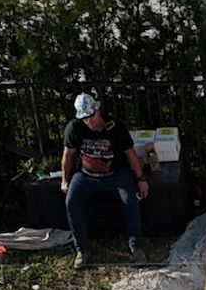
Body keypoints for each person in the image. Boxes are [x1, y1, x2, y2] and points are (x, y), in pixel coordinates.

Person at [61, 90, 148, 266]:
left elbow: (130, 153)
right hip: (85, 174)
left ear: (97, 111)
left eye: (91, 116)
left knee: (129, 200)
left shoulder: (114, 126)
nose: (89, 121)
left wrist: (141, 178)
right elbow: (68, 156)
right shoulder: (74, 128)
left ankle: (136, 247)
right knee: (71, 202)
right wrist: (65, 179)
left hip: (115, 174)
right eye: (84, 118)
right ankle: (81, 250)